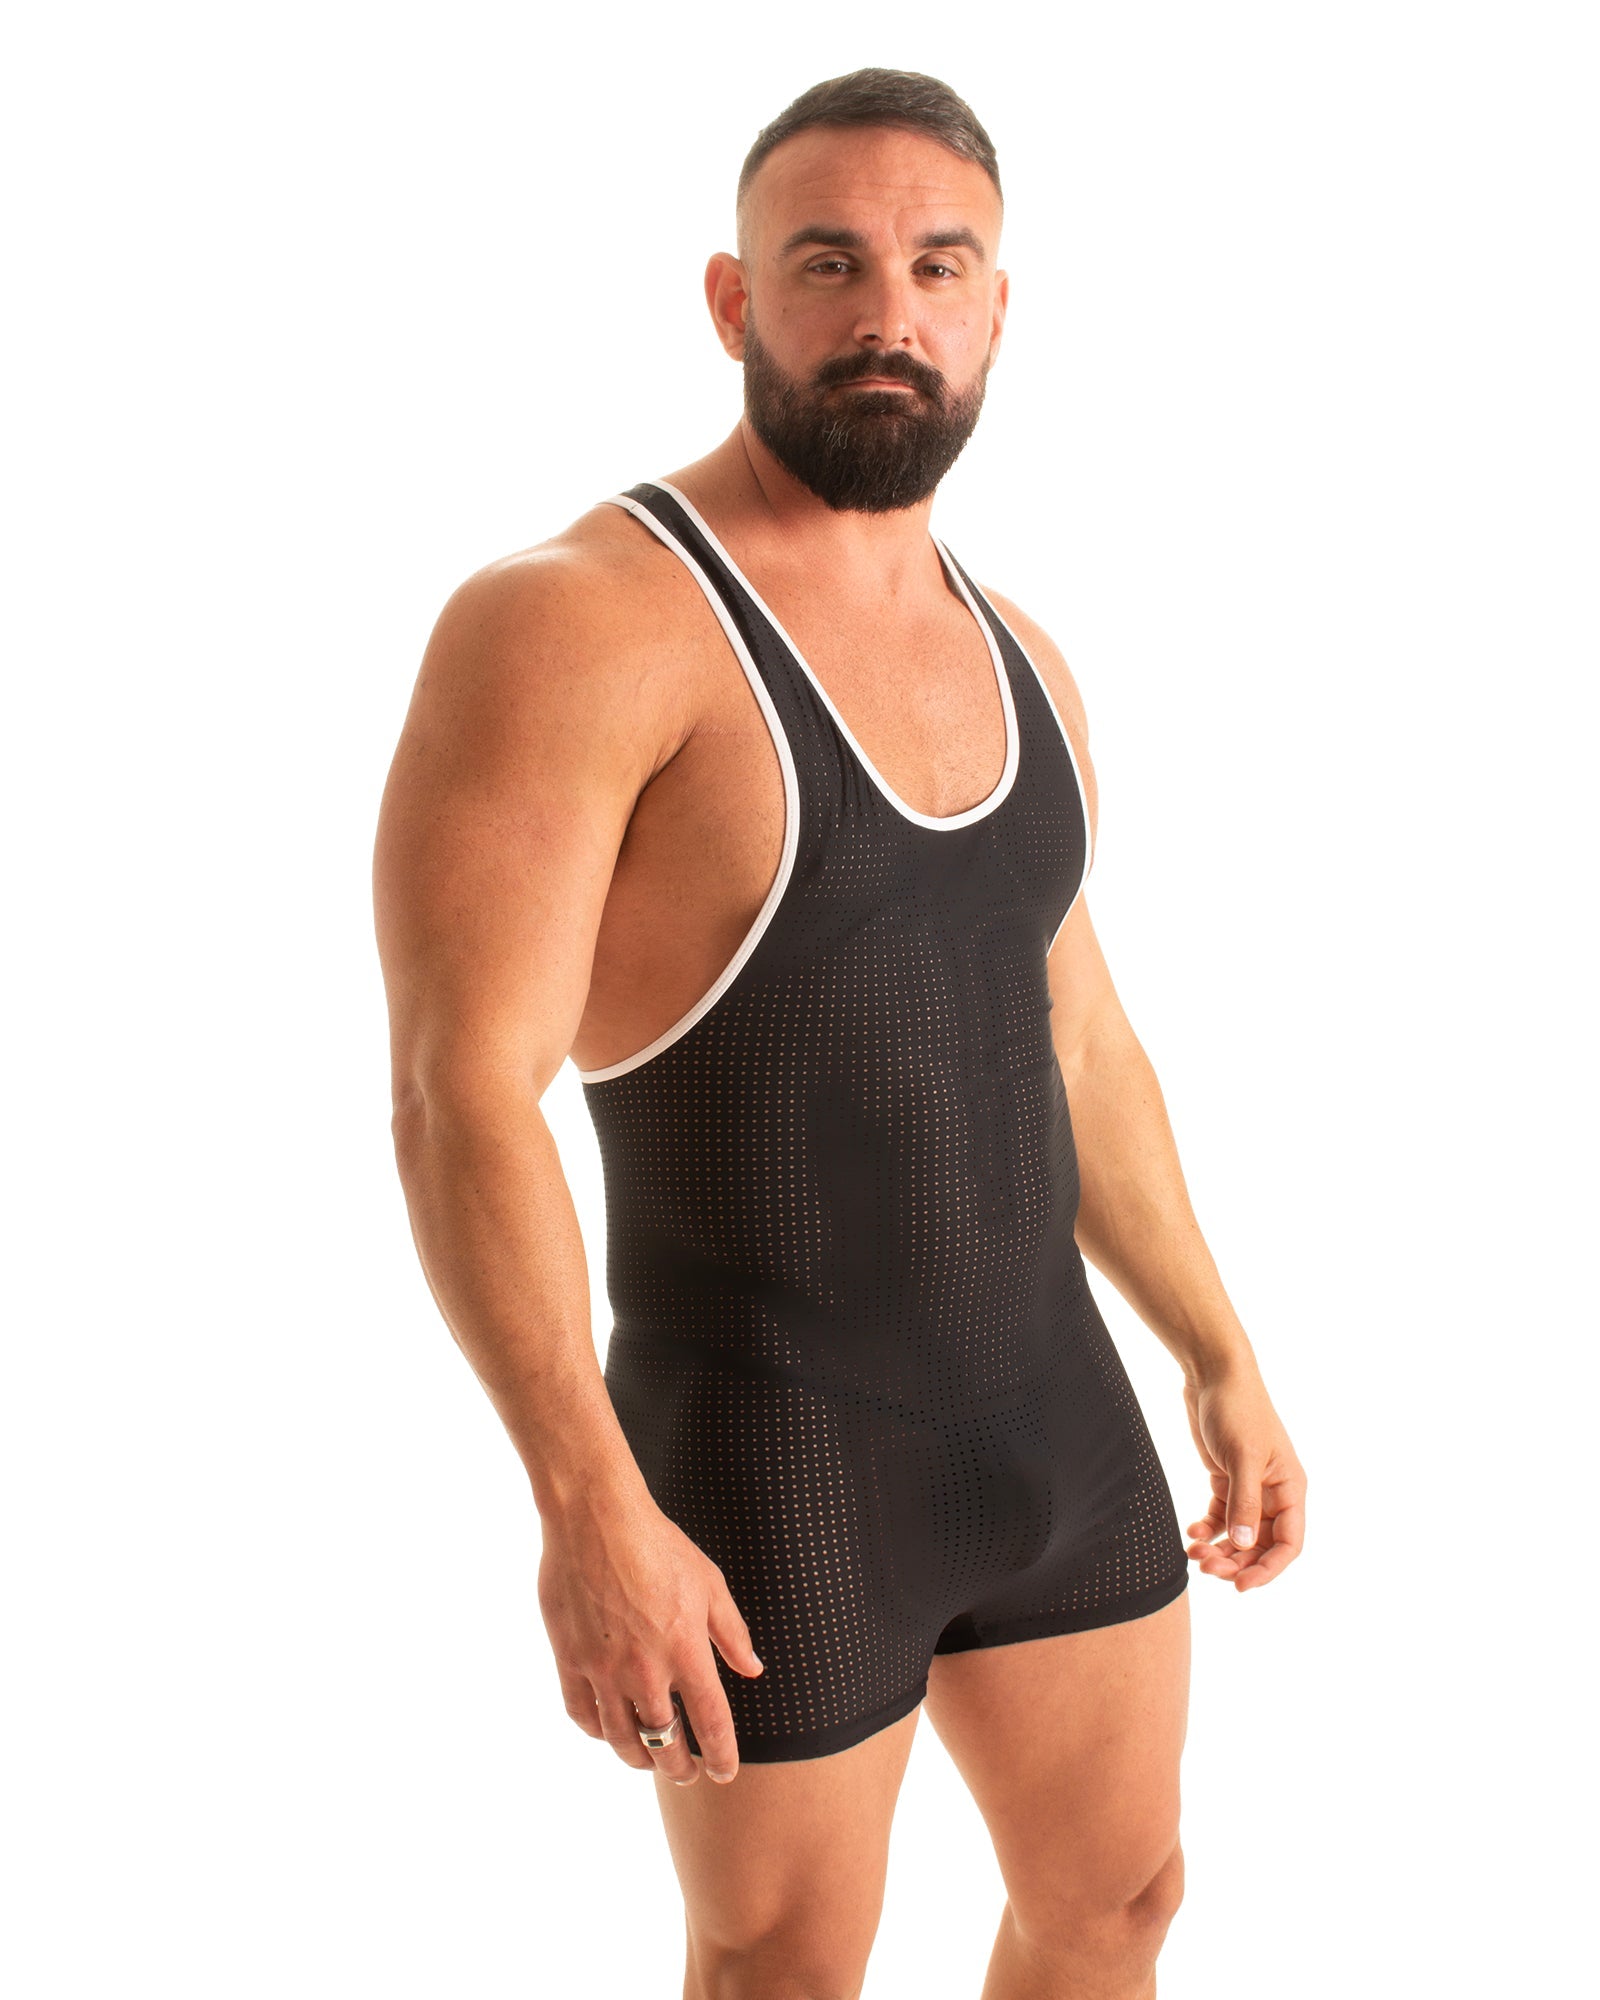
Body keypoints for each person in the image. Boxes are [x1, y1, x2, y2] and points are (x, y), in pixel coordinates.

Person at [373, 65, 1306, 2000]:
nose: (890, 312)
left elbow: (1076, 1036)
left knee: (1123, 1902)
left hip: (1049, 1420)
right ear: (734, 299)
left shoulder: (1023, 653)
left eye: (937, 266)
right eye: (830, 263)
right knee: (784, 1969)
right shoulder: (575, 624)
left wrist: (1218, 1351)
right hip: (771, 1453)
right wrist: (586, 1505)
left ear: (995, 310)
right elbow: (462, 1097)